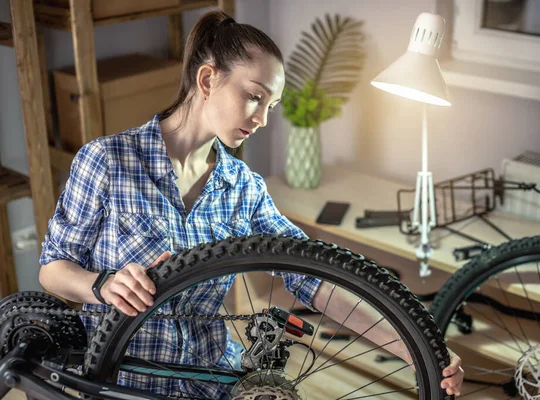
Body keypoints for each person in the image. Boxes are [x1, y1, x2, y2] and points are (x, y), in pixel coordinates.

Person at [39, 10, 463, 399]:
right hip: (121, 383)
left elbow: (313, 277)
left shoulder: (242, 187)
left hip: (210, 383)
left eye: (271, 106)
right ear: (207, 80)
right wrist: (102, 285)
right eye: (255, 97)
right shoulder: (108, 161)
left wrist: (415, 346)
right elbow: (53, 270)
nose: (262, 118)